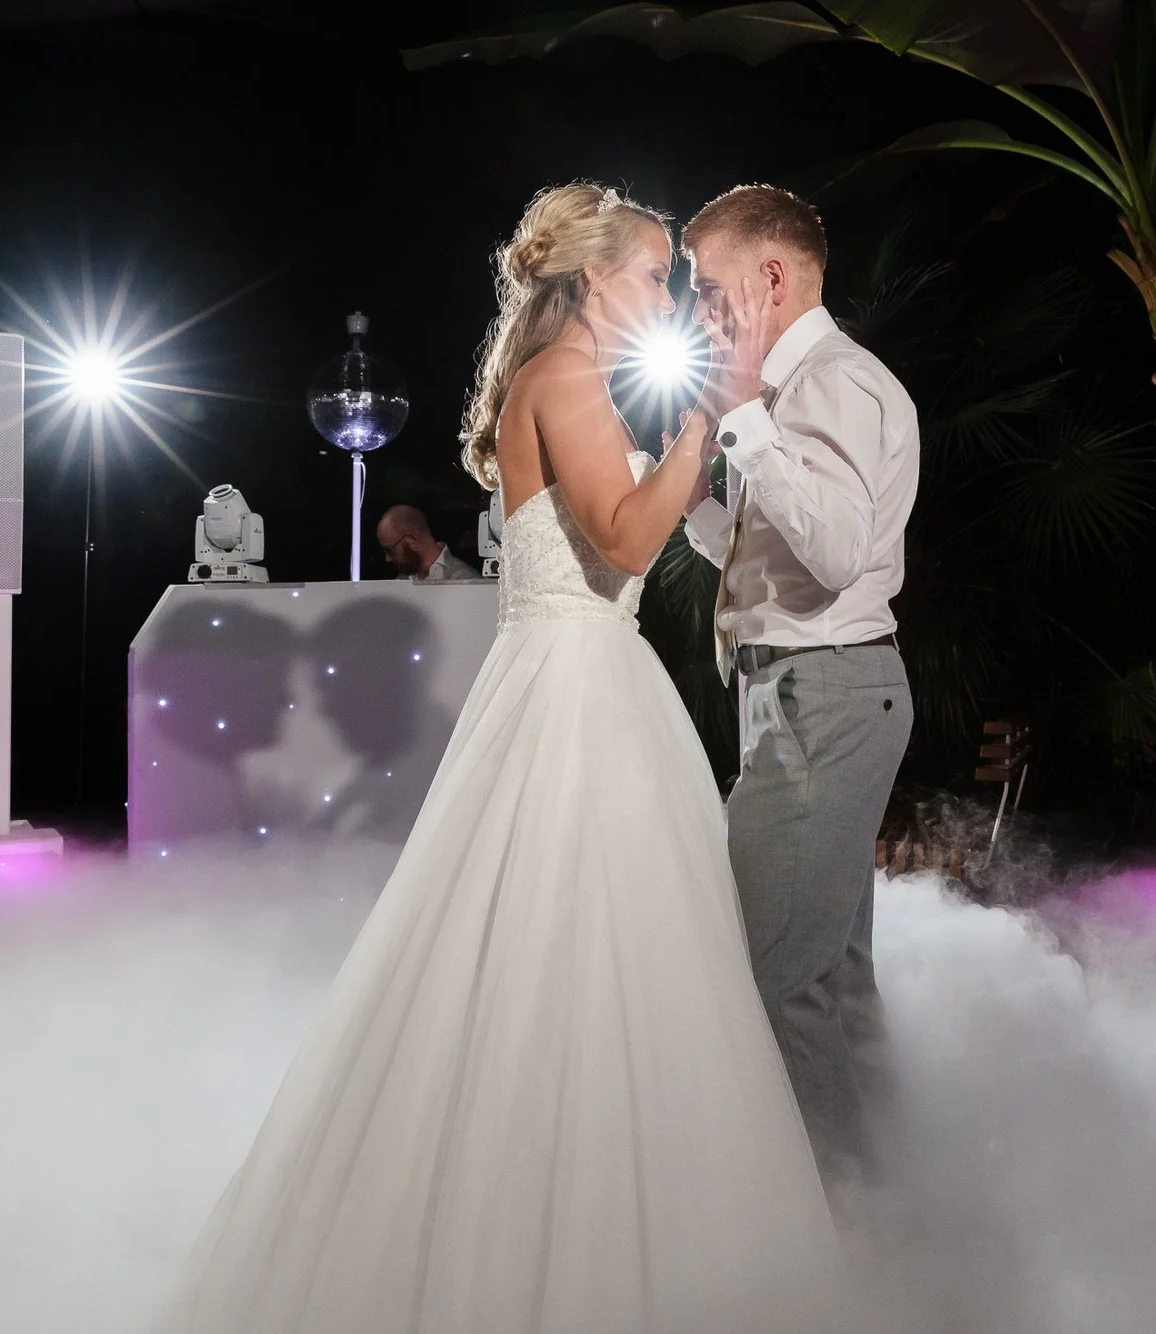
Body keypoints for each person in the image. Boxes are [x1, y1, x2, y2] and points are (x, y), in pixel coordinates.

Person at [173, 183, 845, 1334]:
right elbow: (628, 538)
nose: (661, 296)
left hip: (578, 675)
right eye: (648, 275)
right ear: (592, 278)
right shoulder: (570, 380)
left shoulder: (556, 380)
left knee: (592, 950)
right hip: (578, 692)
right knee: (582, 952)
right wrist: (705, 425)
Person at [680, 185, 920, 1187]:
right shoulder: (779, 397)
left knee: (775, 981)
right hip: (798, 694)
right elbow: (764, 558)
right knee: (826, 973)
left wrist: (740, 414)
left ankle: (841, 1229)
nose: (694, 312)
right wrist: (698, 486)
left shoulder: (830, 383)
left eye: (703, 289)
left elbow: (830, 557)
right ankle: (895, 1200)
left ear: (768, 278)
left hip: (822, 695)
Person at [375, 503, 482, 581]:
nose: (387, 558)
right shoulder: (401, 582)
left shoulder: (465, 580)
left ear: (412, 541)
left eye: (390, 550)